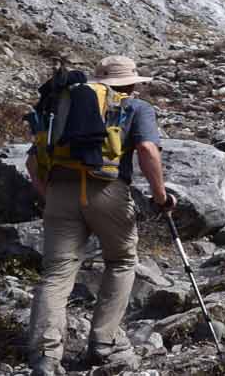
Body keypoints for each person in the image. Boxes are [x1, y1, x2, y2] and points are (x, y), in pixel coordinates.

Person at [28, 55, 168, 376]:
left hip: (60, 190)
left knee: (57, 273)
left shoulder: (64, 105)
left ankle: (45, 358)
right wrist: (160, 196)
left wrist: (50, 195)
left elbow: (32, 163)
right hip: (107, 189)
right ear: (130, 83)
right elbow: (147, 150)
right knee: (120, 261)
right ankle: (103, 344)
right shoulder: (136, 107)